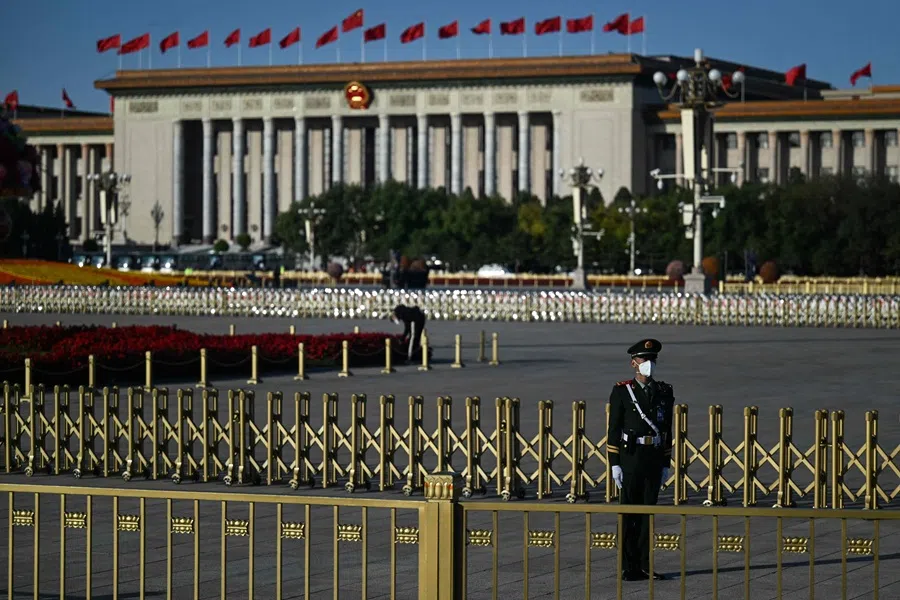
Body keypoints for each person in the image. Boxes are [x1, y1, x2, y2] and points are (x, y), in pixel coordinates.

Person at [607, 338, 674, 582]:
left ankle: (645, 565)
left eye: (652, 359)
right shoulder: (622, 391)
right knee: (628, 514)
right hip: (630, 458)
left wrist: (666, 462)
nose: (649, 364)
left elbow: (667, 429)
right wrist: (614, 463)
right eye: (645, 359)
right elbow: (613, 429)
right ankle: (628, 566)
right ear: (633, 363)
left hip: (653, 458)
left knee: (648, 514)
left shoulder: (664, 391)